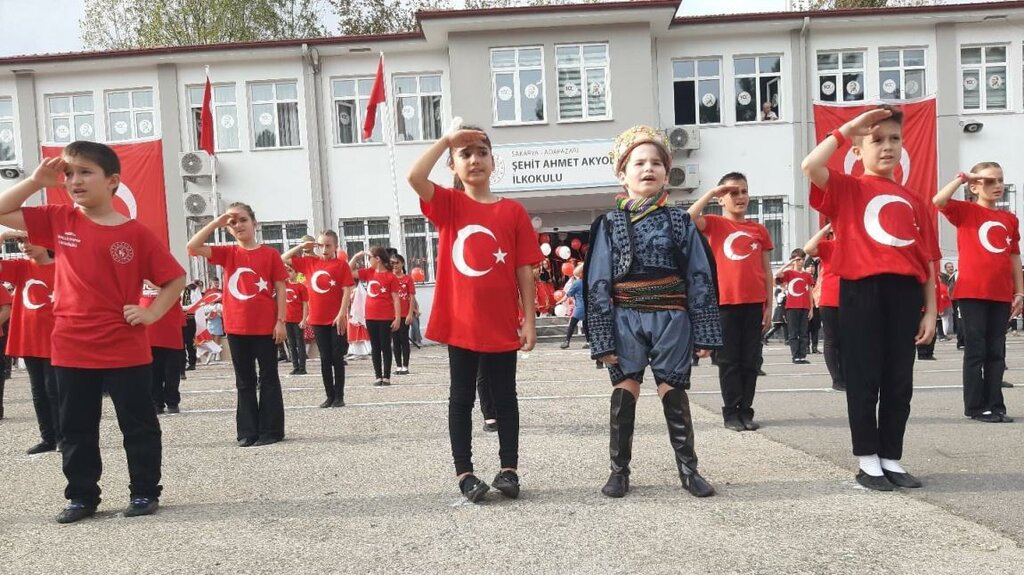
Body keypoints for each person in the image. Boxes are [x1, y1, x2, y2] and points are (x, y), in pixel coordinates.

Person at [0, 142, 186, 523]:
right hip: (70, 344)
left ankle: (144, 492)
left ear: (113, 181)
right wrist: (35, 180)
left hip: (124, 345)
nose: (74, 180)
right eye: (68, 173)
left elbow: (175, 279)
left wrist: (150, 314)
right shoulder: (59, 219)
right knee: (75, 426)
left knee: (138, 424)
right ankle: (82, 497)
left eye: (85, 172)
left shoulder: (136, 234)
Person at [803, 105, 938, 491]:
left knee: (899, 379)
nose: (887, 146)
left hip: (905, 293)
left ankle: (891, 456)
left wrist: (930, 310)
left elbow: (927, 259)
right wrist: (848, 129)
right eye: (876, 140)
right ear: (857, 150)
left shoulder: (914, 200)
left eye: (894, 139)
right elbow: (810, 166)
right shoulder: (848, 187)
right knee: (864, 377)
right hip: (861, 289)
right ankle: (867, 460)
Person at [407, 121, 541, 503]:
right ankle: (465, 473)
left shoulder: (512, 211)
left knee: (505, 396)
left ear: (493, 161)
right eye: (464, 154)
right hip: (461, 320)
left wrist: (529, 318)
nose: (474, 160)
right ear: (452, 165)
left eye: (482, 152)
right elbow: (415, 175)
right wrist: (447, 140)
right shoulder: (449, 205)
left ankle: (509, 469)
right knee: (461, 397)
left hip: (501, 321)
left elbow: (523, 269)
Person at [585, 125, 721, 499]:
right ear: (622, 173)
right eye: (639, 163)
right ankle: (619, 471)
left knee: (673, 392)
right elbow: (597, 279)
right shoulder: (608, 224)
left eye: (656, 163)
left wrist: (705, 331)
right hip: (624, 317)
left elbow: (699, 275)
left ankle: (689, 470)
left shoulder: (679, 221)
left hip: (672, 319)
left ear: (666, 171)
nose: (648, 169)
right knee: (624, 392)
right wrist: (602, 337)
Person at [188, 203, 288, 447]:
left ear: (254, 223)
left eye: (243, 220)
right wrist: (215, 222)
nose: (238, 225)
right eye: (233, 223)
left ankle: (271, 430)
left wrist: (281, 321)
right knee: (244, 381)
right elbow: (192, 246)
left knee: (269, 378)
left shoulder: (270, 254)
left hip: (265, 327)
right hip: (236, 327)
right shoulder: (228, 253)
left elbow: (280, 288)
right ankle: (248, 431)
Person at [933, 162, 1021, 423]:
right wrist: (962, 178)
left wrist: (1020, 292)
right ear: (974, 186)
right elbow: (938, 200)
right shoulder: (965, 211)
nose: (997, 185)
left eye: (1000, 180)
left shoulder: (1009, 219)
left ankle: (995, 404)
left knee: (997, 352)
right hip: (972, 292)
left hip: (1001, 293)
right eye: (989, 181)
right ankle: (975, 406)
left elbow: (1014, 256)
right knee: (976, 351)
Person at [688, 172, 773, 432]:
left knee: (750, 361)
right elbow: (686, 219)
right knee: (729, 362)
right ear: (722, 199)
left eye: (744, 191)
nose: (740, 197)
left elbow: (766, 270)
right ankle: (731, 414)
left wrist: (769, 305)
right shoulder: (714, 223)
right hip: (724, 304)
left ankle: (746, 411)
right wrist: (711, 193)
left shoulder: (758, 230)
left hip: (754, 304)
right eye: (733, 193)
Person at [0, 231, 57, 451]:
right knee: (38, 390)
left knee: (55, 388)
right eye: (22, 241)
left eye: (32, 240)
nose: (25, 245)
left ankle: (64, 436)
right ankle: (48, 438)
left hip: (56, 338)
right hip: (30, 337)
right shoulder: (22, 267)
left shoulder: (63, 266)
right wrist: (5, 236)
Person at [282, 232, 353, 408]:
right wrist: (302, 247)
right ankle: (329, 395)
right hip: (318, 319)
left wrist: (341, 313)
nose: (324, 249)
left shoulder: (341, 265)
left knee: (337, 357)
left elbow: (346, 290)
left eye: (328, 245)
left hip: (336, 319)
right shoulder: (310, 263)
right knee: (325, 358)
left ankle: (339, 396)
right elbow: (282, 258)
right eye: (321, 245)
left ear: (335, 247)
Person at [349, 247, 401, 386]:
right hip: (370, 316)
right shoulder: (368, 273)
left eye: (370, 258)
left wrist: (397, 317)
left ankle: (387, 376)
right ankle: (378, 376)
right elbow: (348, 271)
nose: (369, 261)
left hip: (385, 317)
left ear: (377, 259)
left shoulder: (391, 276)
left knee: (385, 346)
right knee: (375, 347)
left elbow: (396, 298)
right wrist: (356, 256)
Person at [804, 224, 844, 391]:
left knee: (849, 341)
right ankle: (837, 379)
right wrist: (825, 229)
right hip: (830, 299)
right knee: (832, 340)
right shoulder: (829, 246)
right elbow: (808, 248)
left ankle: (847, 376)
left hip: (851, 299)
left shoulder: (855, 245)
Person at [140, 282, 186, 414]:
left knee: (171, 371)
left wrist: (151, 283)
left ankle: (172, 401)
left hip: (170, 330)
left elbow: (175, 293)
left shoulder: (170, 280)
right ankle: (156, 403)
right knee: (153, 372)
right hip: (148, 332)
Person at [775, 249, 814, 364]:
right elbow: (777, 275)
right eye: (798, 259)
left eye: (802, 259)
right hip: (792, 307)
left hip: (804, 306)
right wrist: (789, 263)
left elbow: (810, 292)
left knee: (803, 333)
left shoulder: (807, 275)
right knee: (793, 332)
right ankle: (795, 356)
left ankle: (802, 355)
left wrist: (811, 308)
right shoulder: (789, 274)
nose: (800, 261)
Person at [390, 253, 417, 375]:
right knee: (395, 341)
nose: (394, 265)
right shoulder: (389, 277)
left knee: (404, 340)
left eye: (397, 263)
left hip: (404, 314)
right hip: (392, 315)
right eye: (392, 263)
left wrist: (410, 314)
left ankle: (405, 366)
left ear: (402, 264)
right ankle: (398, 366)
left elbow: (411, 297)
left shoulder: (408, 279)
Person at [283, 264, 308, 375]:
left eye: (291, 271)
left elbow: (305, 305)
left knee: (300, 343)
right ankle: (295, 366)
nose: (288, 273)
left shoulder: (301, 287)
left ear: (296, 273)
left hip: (298, 319)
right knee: (291, 343)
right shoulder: (284, 285)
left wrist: (304, 319)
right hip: (287, 319)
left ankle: (302, 367)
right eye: (287, 271)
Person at [558, 264, 586, 349]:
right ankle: (589, 342)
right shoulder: (588, 282)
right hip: (588, 307)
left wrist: (560, 301)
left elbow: (568, 294)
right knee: (586, 325)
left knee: (572, 324)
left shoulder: (577, 283)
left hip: (580, 307)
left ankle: (567, 341)